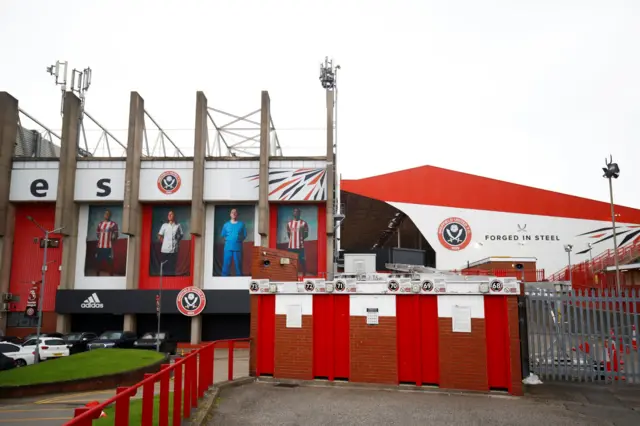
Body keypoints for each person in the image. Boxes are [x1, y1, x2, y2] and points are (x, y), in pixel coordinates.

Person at [220, 208, 248, 276]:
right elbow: (223, 235)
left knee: (238, 266)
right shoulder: (226, 225)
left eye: (235, 212)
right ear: (230, 214)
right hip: (228, 248)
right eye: (232, 212)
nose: (234, 213)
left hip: (238, 248)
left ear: (237, 214)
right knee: (226, 265)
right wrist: (229, 241)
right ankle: (223, 281)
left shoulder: (241, 224)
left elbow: (244, 235)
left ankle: (239, 281)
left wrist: (238, 240)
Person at [157, 210, 184, 275]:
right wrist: (164, 242)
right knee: (164, 267)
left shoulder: (178, 225)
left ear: (174, 216)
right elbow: (159, 235)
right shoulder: (164, 225)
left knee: (172, 267)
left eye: (171, 214)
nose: (169, 215)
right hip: (165, 250)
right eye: (168, 214)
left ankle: (171, 282)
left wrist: (177, 241)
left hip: (174, 251)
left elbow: (181, 235)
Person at [95, 209, 119, 276]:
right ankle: (97, 276)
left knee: (110, 262)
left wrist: (113, 238)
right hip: (100, 247)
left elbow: (116, 234)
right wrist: (101, 239)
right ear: (104, 215)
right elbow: (97, 234)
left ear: (110, 216)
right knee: (98, 262)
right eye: (105, 214)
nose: (106, 215)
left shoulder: (113, 224)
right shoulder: (100, 224)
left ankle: (111, 276)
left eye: (108, 214)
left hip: (108, 247)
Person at [286, 207, 309, 276]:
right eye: (295, 212)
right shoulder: (289, 224)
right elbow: (288, 234)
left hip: (300, 246)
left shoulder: (304, 223)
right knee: (291, 261)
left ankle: (304, 274)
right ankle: (292, 275)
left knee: (302, 261)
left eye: (297, 212)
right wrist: (293, 240)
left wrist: (300, 238)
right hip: (291, 246)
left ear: (300, 213)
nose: (296, 213)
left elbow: (306, 234)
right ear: (293, 213)